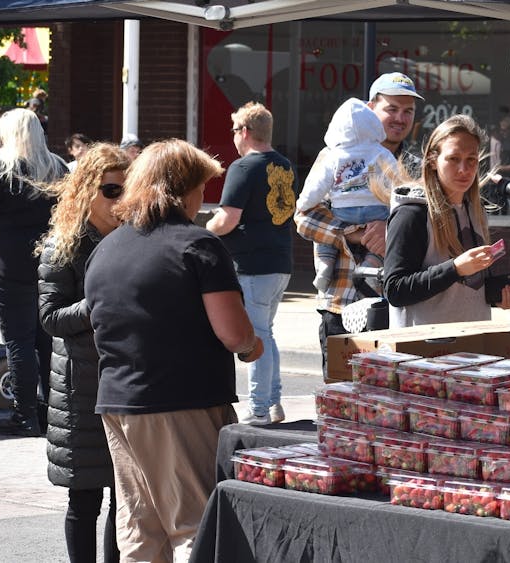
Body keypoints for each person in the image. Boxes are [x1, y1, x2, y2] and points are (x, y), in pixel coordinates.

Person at [85, 139, 261, 561]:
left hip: (117, 403)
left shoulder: (105, 249)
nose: (204, 197)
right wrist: (254, 346)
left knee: (141, 530)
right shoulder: (197, 244)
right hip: (180, 401)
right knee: (194, 527)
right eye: (201, 187)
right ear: (185, 190)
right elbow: (234, 334)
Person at [295, 72, 423, 369]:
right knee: (340, 400)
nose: (400, 118)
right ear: (369, 109)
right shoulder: (335, 154)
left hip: (396, 306)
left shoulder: (415, 166)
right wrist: (351, 234)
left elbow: (427, 225)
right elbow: (302, 217)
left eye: (408, 111)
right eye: (391, 109)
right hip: (340, 303)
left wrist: (390, 227)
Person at [38, 143, 128, 563]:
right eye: (111, 191)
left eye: (127, 191)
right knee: (85, 498)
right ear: (87, 190)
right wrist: (100, 303)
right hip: (81, 387)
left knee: (122, 496)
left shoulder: (132, 240)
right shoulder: (64, 246)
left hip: (125, 380)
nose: (120, 201)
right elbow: (50, 317)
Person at [206, 101, 297, 426]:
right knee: (266, 333)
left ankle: (259, 408)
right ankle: (273, 403)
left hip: (253, 264)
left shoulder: (244, 167)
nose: (233, 137)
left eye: (234, 131)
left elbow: (228, 219)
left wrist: (204, 232)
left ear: (244, 132)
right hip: (280, 261)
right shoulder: (284, 165)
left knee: (257, 336)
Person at [383, 114, 510, 327]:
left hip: (473, 344)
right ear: (433, 161)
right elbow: (395, 290)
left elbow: (471, 287)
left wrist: (498, 295)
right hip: (422, 351)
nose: (464, 169)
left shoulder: (476, 210)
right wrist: (455, 268)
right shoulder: (412, 213)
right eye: (453, 159)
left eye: (471, 159)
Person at [0, 108, 67, 436]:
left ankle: (24, 414)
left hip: (9, 268)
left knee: (17, 342)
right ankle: (51, 412)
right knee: (46, 341)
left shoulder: (0, 171)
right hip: (50, 265)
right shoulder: (58, 168)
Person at [297, 97, 396, 292]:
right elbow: (398, 180)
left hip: (343, 210)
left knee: (324, 236)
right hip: (375, 210)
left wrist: (303, 203)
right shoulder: (381, 152)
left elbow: (316, 186)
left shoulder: (333, 155)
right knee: (382, 242)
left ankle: (325, 264)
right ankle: (371, 264)